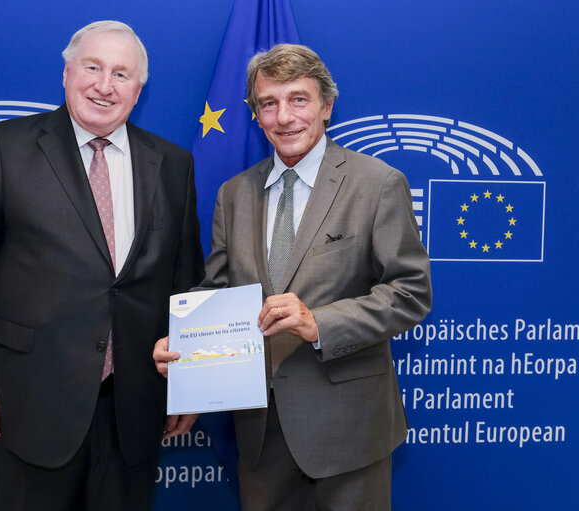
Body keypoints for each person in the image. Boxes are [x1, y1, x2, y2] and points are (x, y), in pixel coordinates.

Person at [0, 20, 204, 511]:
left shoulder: (172, 163)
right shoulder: (4, 147)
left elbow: (185, 283)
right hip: (28, 409)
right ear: (66, 73)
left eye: (122, 74)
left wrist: (190, 389)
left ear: (139, 88)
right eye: (93, 67)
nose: (105, 85)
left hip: (134, 414)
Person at [154, 44, 431, 511]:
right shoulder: (234, 195)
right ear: (256, 114)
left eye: (298, 99)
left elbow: (410, 293)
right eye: (268, 103)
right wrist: (186, 357)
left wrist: (318, 322)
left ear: (326, 106)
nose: (284, 117)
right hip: (259, 431)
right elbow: (219, 291)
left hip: (349, 431)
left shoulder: (378, 183)